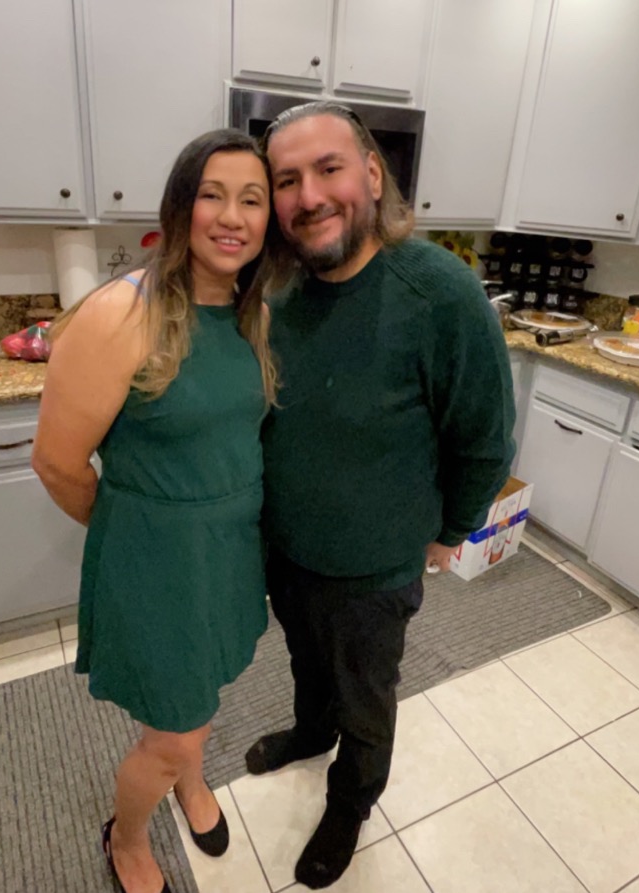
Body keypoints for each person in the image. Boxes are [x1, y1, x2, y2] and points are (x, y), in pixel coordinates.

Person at [245, 102, 516, 889]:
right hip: (290, 550)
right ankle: (309, 731)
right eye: (286, 180)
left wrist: (450, 531)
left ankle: (351, 800)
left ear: (371, 174)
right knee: (306, 660)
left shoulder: (439, 292)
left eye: (327, 168)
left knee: (366, 693)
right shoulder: (282, 289)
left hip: (374, 568)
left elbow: (484, 437)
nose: (308, 196)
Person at [33, 129, 279, 893]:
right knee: (171, 731)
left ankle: (188, 776)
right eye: (212, 195)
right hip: (157, 558)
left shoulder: (248, 310)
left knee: (200, 694)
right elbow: (57, 462)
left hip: (228, 551)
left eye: (251, 200)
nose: (232, 216)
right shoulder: (120, 313)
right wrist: (135, 532)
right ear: (179, 207)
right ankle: (129, 837)